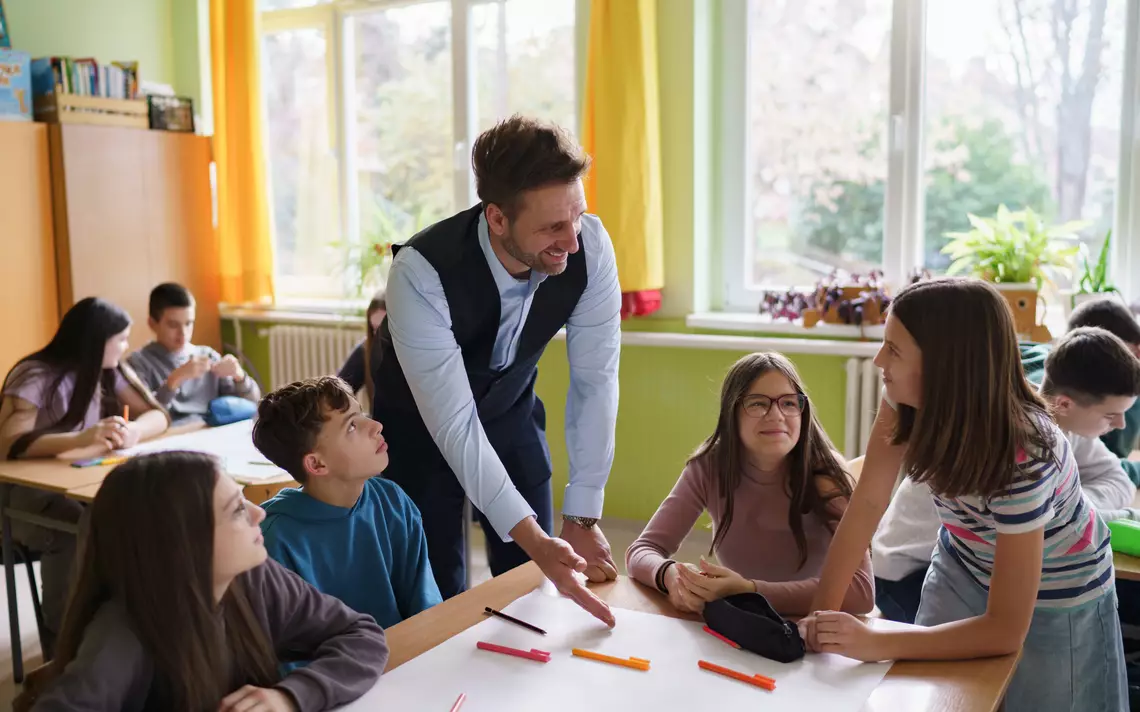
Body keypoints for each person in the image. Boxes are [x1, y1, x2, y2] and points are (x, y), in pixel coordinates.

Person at [802, 278, 1127, 712]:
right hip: (964, 563)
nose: (879, 360)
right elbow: (867, 505)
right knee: (931, 695)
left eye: (893, 349)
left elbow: (1005, 630)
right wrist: (818, 622)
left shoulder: (1025, 453)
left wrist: (878, 639)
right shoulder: (901, 399)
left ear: (946, 365)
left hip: (1060, 593)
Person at [373, 115, 620, 626]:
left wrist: (582, 513)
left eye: (576, 216)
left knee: (534, 588)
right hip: (420, 435)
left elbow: (596, 382)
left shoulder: (591, 248)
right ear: (498, 218)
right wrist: (534, 538)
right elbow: (454, 424)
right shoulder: (420, 272)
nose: (572, 241)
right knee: (435, 603)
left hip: (512, 416)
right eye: (552, 227)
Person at [23, 451, 388, 711]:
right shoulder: (124, 630)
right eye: (236, 510)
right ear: (183, 542)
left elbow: (361, 634)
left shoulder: (254, 577)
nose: (259, 513)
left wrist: (290, 696)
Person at [872, 326, 1140, 623]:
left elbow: (1118, 479)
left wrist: (1068, 508)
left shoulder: (1067, 422)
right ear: (1065, 404)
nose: (1120, 425)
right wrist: (1068, 512)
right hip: (910, 574)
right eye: (1111, 415)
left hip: (973, 565)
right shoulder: (1015, 438)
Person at [626, 352, 874, 616]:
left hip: (814, 623)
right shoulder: (709, 467)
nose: (776, 415)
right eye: (758, 404)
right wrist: (670, 576)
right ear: (731, 414)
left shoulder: (826, 473)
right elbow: (642, 550)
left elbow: (862, 593)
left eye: (789, 403)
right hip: (749, 621)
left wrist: (751, 591)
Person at [0, 297, 169, 647]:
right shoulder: (35, 375)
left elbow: (158, 415)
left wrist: (134, 431)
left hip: (74, 480)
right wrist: (79, 438)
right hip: (22, 494)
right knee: (77, 526)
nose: (125, 347)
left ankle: (119, 624)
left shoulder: (110, 370)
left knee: (133, 513)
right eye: (120, 339)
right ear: (96, 341)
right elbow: (7, 444)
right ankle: (63, 635)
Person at [252, 376, 442, 629]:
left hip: (406, 651)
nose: (375, 426)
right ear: (317, 464)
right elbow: (285, 647)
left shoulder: (392, 502)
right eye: (351, 426)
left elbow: (426, 609)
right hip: (333, 657)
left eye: (361, 413)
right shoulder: (273, 542)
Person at [1023, 296, 1140, 484]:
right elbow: (1114, 463)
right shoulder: (1065, 409)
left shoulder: (1069, 411)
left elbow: (1112, 472)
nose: (1121, 424)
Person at [127, 282, 260, 425]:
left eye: (188, 323)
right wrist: (174, 380)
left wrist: (239, 377)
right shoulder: (138, 363)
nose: (183, 333)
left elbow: (251, 405)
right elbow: (144, 417)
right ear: (152, 324)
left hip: (211, 430)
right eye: (173, 325)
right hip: (171, 433)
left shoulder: (207, 356)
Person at [337, 289, 386, 410]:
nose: (379, 337)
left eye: (385, 330)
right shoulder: (366, 350)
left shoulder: (418, 354)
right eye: (375, 329)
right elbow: (336, 394)